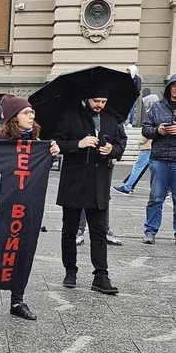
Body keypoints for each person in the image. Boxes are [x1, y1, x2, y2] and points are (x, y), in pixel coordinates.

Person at [0, 95, 59, 322]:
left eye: (32, 112)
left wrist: (54, 150)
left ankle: (17, 301)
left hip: (26, 209)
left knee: (23, 252)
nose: (32, 115)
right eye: (26, 113)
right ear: (13, 118)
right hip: (1, 208)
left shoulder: (37, 144)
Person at [56, 90, 126, 295]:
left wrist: (112, 150)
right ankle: (70, 271)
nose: (100, 105)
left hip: (99, 182)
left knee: (99, 231)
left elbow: (121, 144)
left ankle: (101, 276)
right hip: (74, 181)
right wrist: (78, 144)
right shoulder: (70, 115)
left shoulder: (112, 117)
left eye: (104, 101)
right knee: (69, 230)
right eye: (96, 100)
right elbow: (56, 144)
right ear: (87, 98)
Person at [141, 73, 176, 245]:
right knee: (156, 198)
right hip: (159, 158)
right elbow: (145, 129)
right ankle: (150, 231)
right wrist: (158, 131)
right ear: (168, 88)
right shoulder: (157, 106)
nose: (175, 89)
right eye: (173, 86)